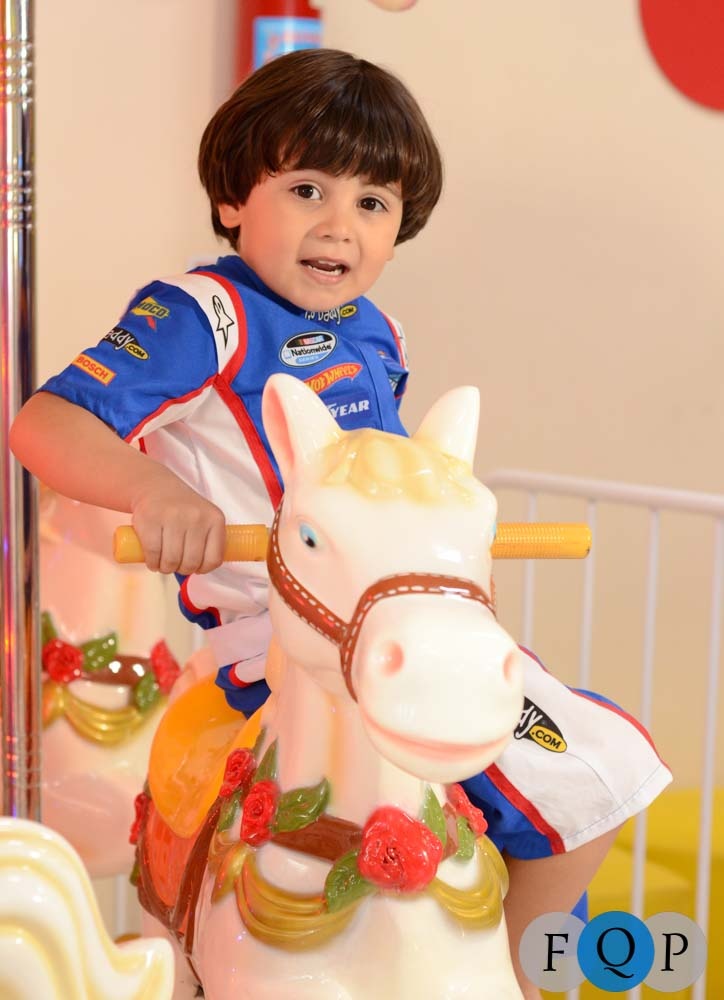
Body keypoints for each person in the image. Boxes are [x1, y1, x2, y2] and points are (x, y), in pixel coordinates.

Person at [10, 48, 670, 998]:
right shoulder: (204, 314)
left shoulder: (378, 333)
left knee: (602, 770)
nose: (339, 225)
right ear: (234, 198)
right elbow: (47, 423)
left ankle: (515, 972)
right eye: (307, 189)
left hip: (392, 622)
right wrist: (155, 493)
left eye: (372, 203)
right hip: (279, 636)